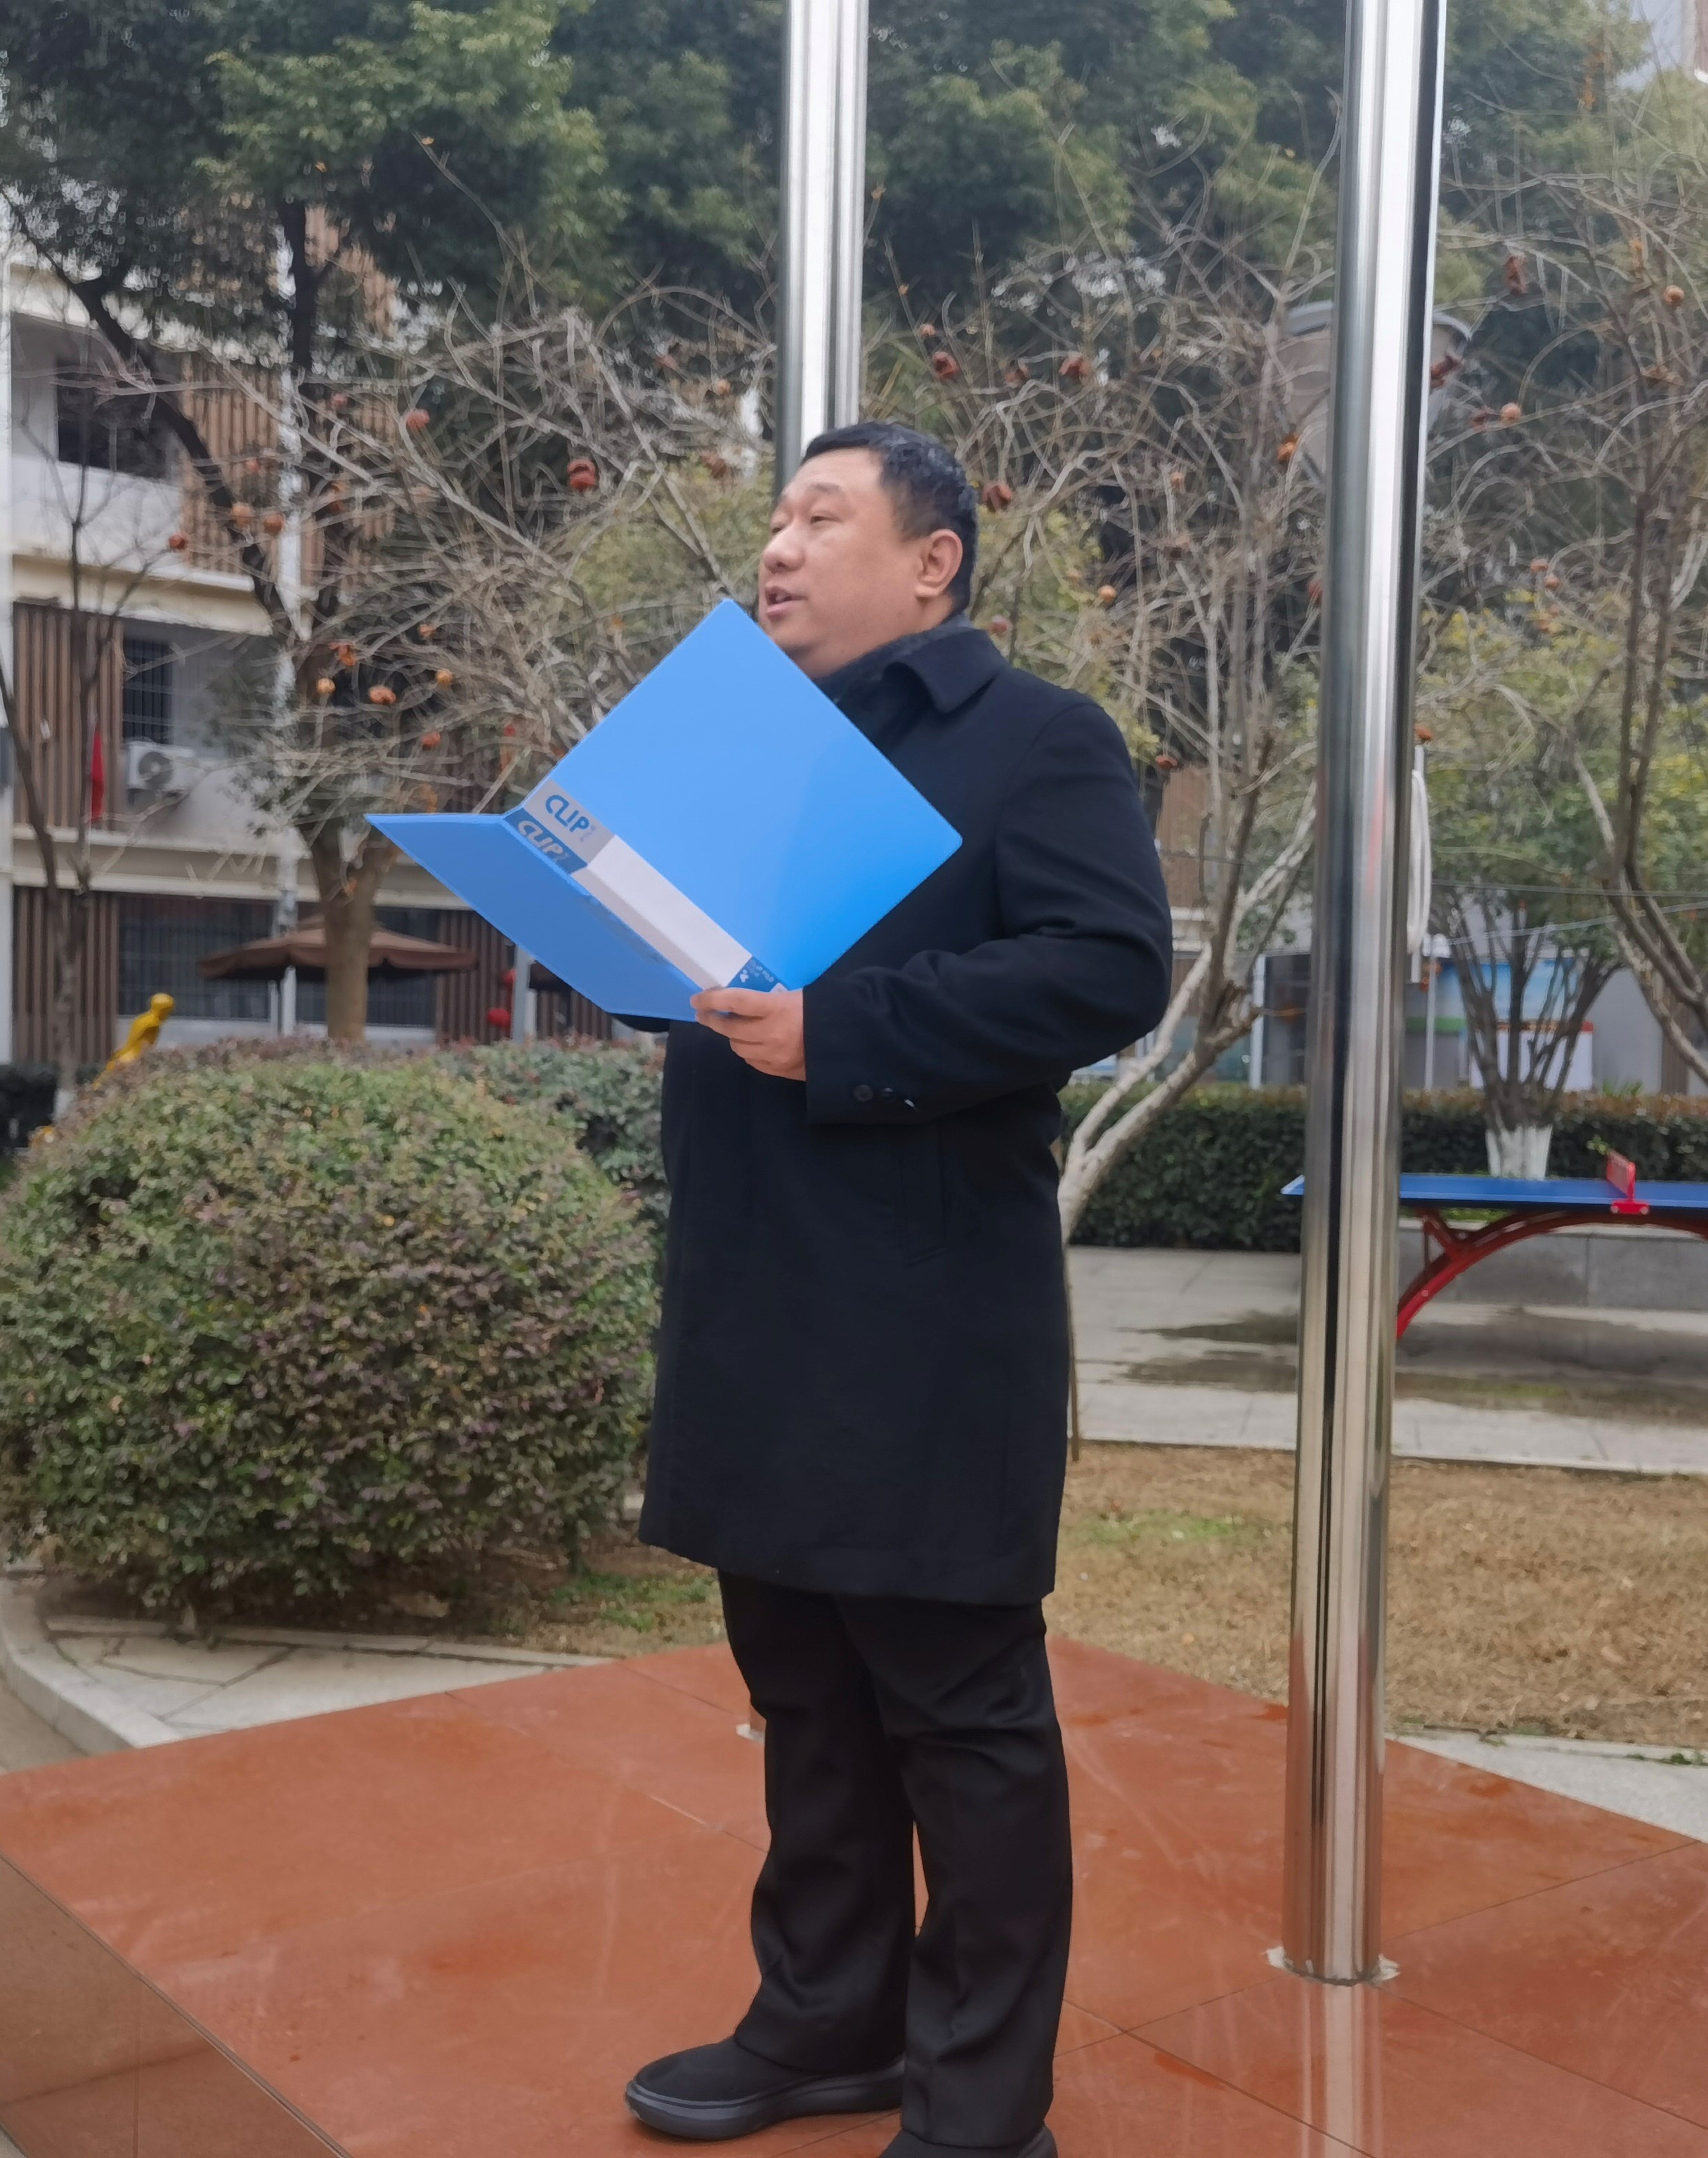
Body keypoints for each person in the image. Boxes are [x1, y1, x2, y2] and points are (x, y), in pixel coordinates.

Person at [621, 421, 1171, 2158]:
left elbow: (1109, 968)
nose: (776, 549)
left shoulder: (1036, 739)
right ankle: (824, 2025)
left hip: (922, 1315)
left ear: (933, 563)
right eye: (774, 518)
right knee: (801, 1692)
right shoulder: (751, 753)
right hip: (752, 1288)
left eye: (820, 519)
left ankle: (980, 2107)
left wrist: (842, 1031)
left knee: (959, 1713)